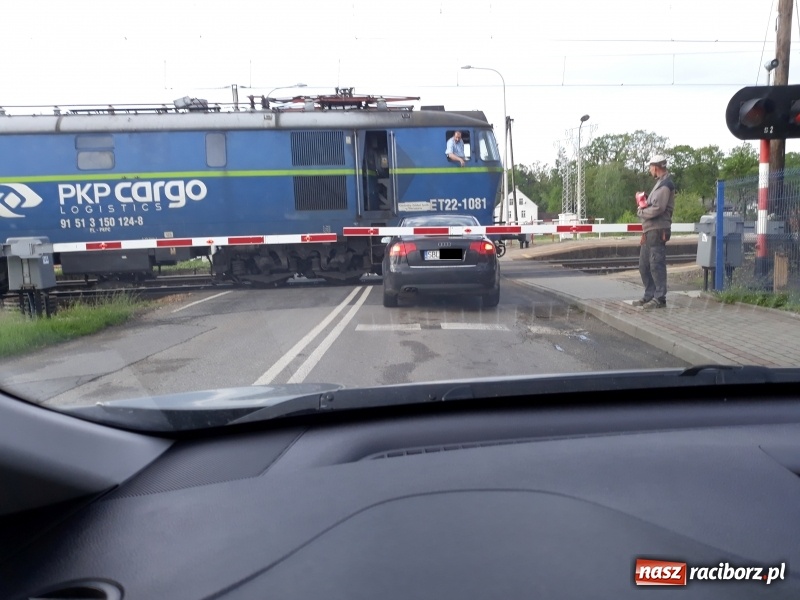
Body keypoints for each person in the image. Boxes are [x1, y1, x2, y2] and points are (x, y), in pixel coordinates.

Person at [632, 154, 675, 310]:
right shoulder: (659, 184)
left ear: (656, 167)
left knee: (656, 264)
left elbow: (659, 208)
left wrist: (642, 212)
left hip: (658, 229)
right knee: (644, 265)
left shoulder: (666, 185)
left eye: (650, 167)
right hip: (650, 230)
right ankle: (649, 294)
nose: (649, 170)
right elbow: (655, 204)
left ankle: (659, 298)